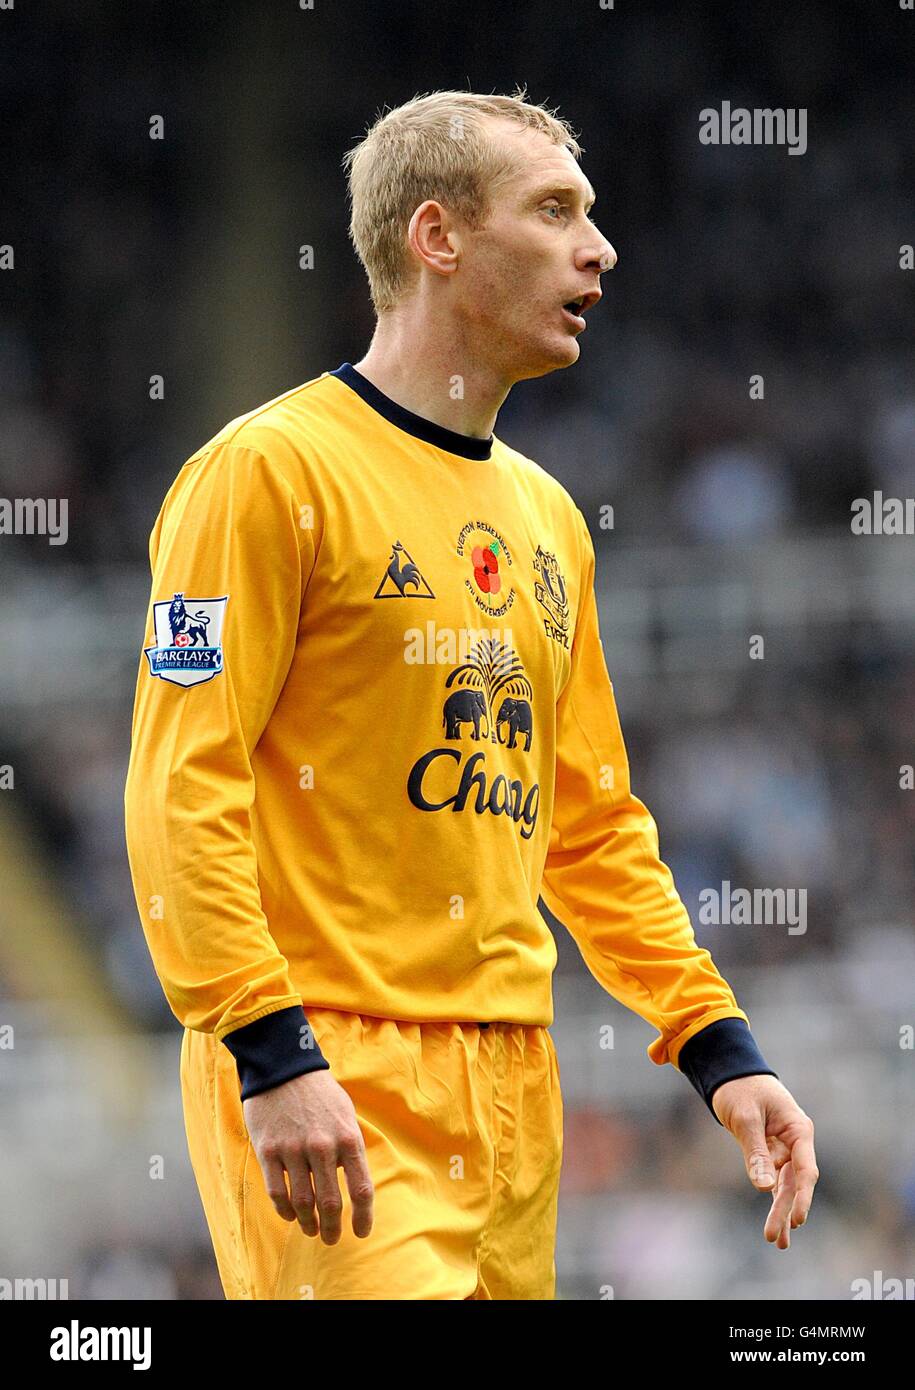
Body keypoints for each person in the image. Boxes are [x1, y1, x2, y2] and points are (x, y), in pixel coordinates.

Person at [124, 88, 818, 1301]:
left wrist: (717, 1046)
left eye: (590, 215)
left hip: (517, 1086)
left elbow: (590, 825)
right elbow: (182, 785)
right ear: (437, 238)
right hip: (332, 1067)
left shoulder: (551, 519)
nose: (598, 248)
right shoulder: (266, 472)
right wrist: (268, 1052)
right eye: (554, 212)